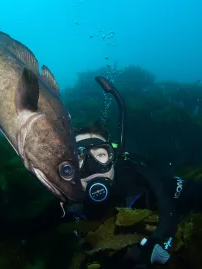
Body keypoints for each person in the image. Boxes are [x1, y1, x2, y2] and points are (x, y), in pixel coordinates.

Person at [63, 76, 202, 269]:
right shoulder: (65, 202)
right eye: (79, 160)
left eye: (101, 155)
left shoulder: (142, 182)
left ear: (114, 157)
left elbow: (195, 193)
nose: (92, 168)